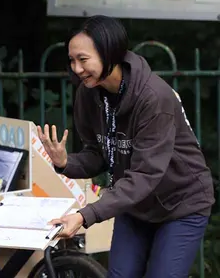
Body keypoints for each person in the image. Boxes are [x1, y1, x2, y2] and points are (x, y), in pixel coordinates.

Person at [37, 15, 215, 278]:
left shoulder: (153, 98)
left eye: (83, 60)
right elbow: (100, 153)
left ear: (110, 53)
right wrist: (65, 162)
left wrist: (84, 216)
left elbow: (145, 175)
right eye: (72, 60)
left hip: (181, 204)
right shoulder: (88, 92)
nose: (76, 68)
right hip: (135, 205)